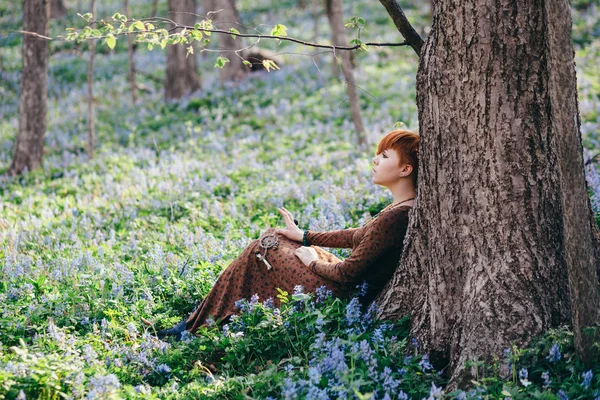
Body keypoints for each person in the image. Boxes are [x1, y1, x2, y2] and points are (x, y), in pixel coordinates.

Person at [157, 129, 419, 340]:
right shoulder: (401, 209)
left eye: (384, 156)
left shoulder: (395, 218)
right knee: (275, 238)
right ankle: (214, 315)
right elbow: (355, 236)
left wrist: (310, 260)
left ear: (405, 169)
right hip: (341, 287)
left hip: (338, 296)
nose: (375, 160)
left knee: (264, 248)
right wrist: (304, 236)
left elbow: (347, 273)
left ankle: (198, 324)